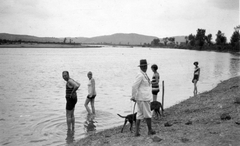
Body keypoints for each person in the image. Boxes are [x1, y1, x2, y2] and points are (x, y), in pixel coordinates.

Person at [131, 59, 156, 136]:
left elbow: (145, 84)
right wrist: (133, 96)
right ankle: (150, 130)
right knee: (147, 114)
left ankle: (137, 132)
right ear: (140, 67)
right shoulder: (140, 75)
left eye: (145, 66)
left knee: (139, 115)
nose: (145, 67)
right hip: (143, 98)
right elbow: (134, 86)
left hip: (143, 98)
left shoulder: (144, 74)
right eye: (143, 66)